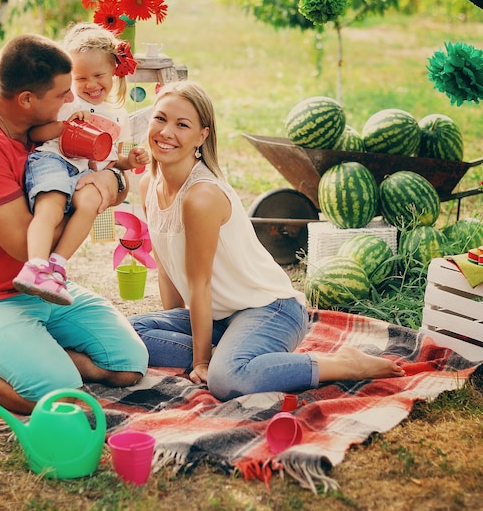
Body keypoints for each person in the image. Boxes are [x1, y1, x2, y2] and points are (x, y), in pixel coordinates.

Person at [128, 81, 405, 401]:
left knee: (225, 378)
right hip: (219, 316)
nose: (166, 132)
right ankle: (232, 351)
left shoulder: (200, 196)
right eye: (160, 118)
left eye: (182, 124)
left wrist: (201, 362)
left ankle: (342, 363)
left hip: (269, 308)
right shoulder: (149, 184)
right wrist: (175, 324)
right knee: (124, 334)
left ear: (202, 136)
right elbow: (167, 268)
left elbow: (199, 283)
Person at [0, 33, 148, 414]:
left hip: (44, 288)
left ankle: (41, 354)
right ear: (26, 99)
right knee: (61, 398)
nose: (71, 100)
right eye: (62, 94)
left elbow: (111, 174)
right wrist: (91, 202)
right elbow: (26, 246)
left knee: (130, 364)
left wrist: (113, 181)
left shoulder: (44, 128)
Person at [12, 23, 149, 305]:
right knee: (50, 205)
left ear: (113, 70)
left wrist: (127, 161)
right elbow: (34, 135)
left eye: (99, 75)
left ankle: (58, 266)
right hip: (51, 159)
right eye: (81, 77)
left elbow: (109, 160)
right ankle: (35, 265)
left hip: (86, 172)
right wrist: (63, 127)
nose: (91, 84)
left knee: (88, 204)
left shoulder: (118, 115)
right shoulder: (65, 102)